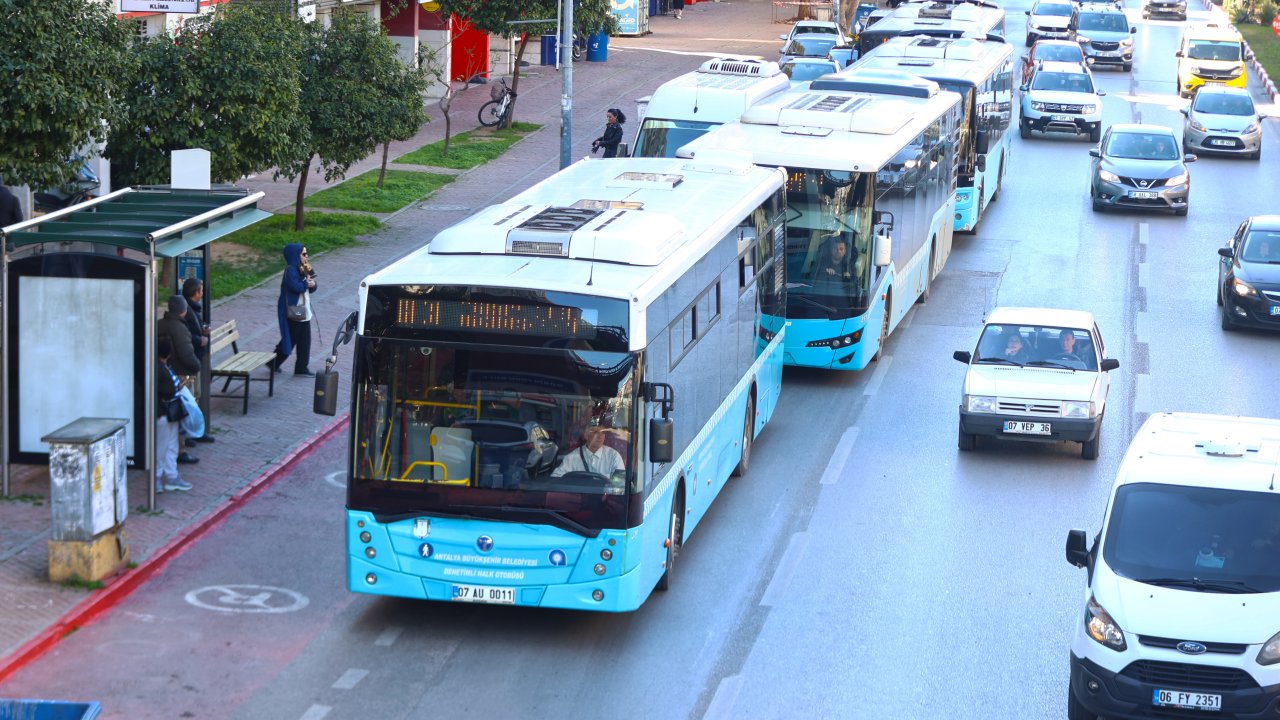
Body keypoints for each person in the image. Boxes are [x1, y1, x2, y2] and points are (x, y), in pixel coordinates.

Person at [157, 295, 201, 464]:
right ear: (184, 310)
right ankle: (181, 450)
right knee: (180, 411)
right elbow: (186, 353)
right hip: (180, 373)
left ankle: (179, 443)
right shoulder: (179, 328)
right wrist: (196, 365)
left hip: (165, 371)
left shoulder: (160, 324)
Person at [270, 243, 318, 376]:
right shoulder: (290, 270)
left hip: (303, 308)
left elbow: (312, 284)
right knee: (293, 337)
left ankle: (301, 367)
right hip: (294, 309)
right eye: (303, 254)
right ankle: (274, 362)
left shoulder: (305, 266)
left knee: (304, 339)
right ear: (295, 255)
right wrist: (306, 283)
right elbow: (296, 287)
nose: (306, 256)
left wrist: (313, 284)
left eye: (306, 253)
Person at [156, 337, 193, 492]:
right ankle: (157, 478)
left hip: (170, 413)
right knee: (162, 446)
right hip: (163, 413)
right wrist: (178, 387)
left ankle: (172, 475)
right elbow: (167, 390)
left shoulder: (162, 367)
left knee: (171, 444)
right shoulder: (160, 369)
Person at [551, 424, 626, 478]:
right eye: (595, 432)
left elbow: (621, 483)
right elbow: (556, 478)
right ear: (586, 435)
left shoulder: (613, 456)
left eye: (603, 432)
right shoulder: (572, 457)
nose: (600, 436)